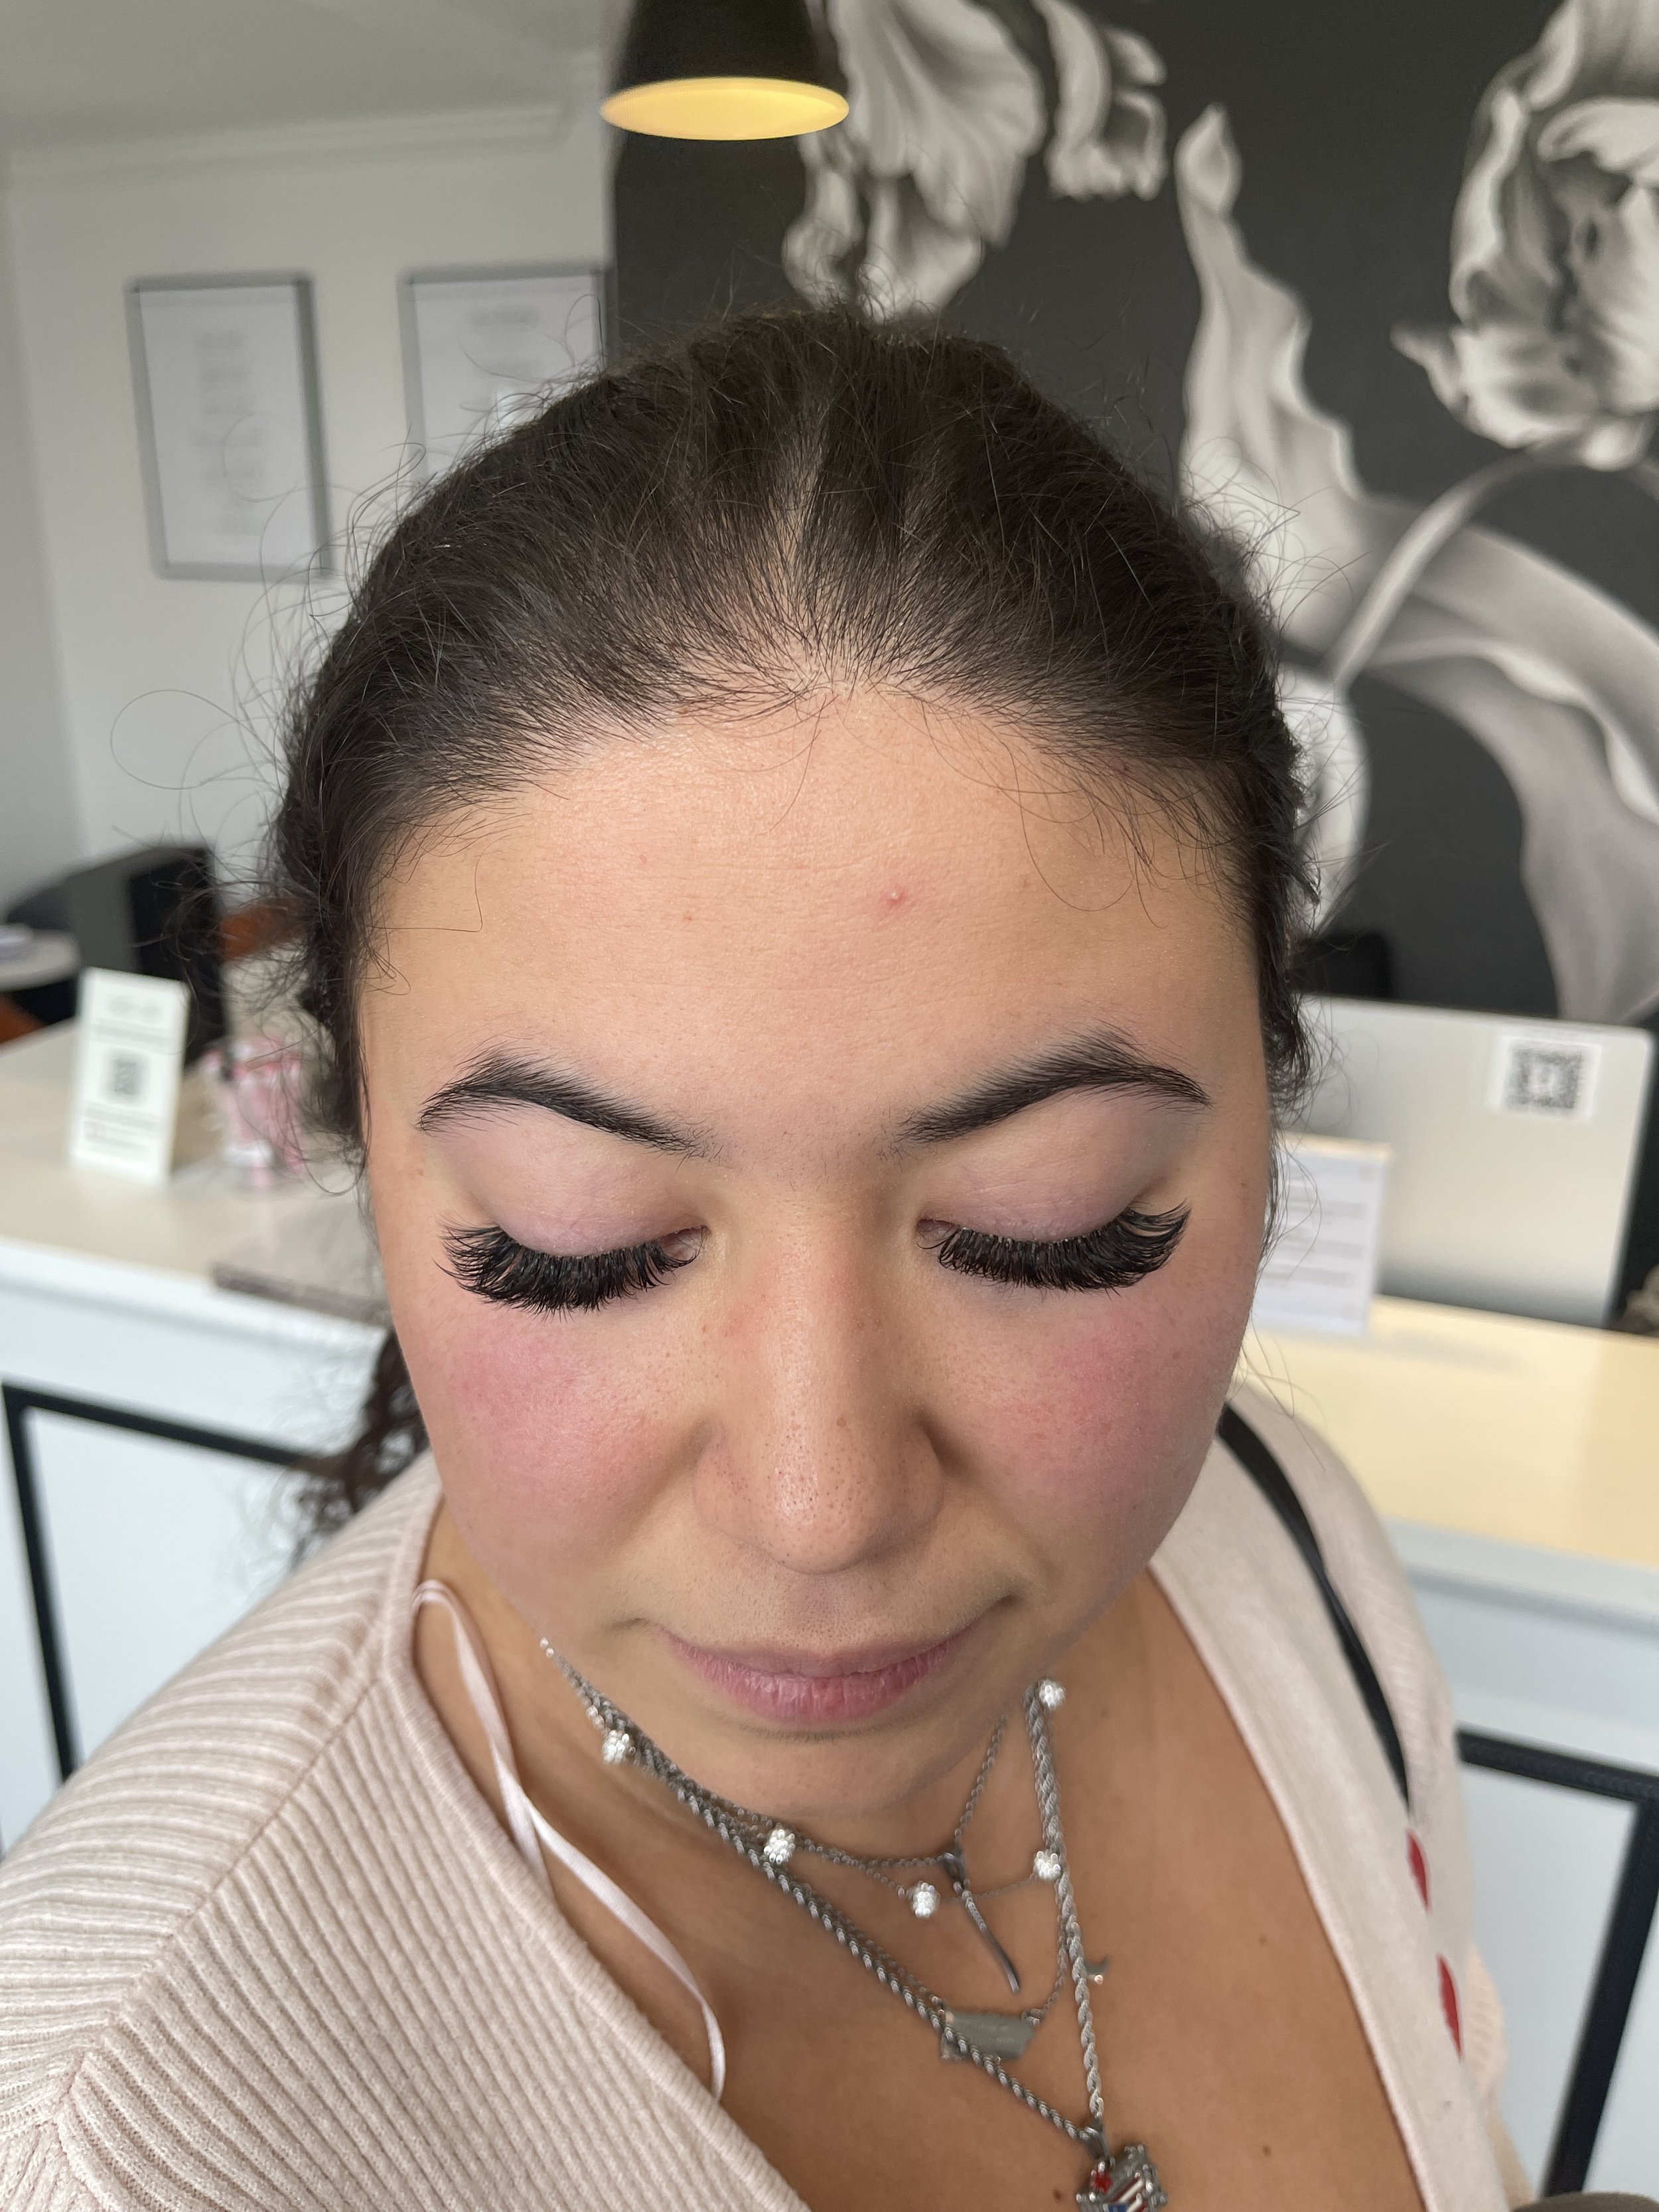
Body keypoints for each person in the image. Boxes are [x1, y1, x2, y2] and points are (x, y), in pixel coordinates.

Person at [0, 310, 1548, 2211]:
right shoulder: (107, 2144)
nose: (823, 1512)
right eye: (577, 1247)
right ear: (369, 1156)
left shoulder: (1286, 1538)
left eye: (1054, 1222)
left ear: (1270, 1103)